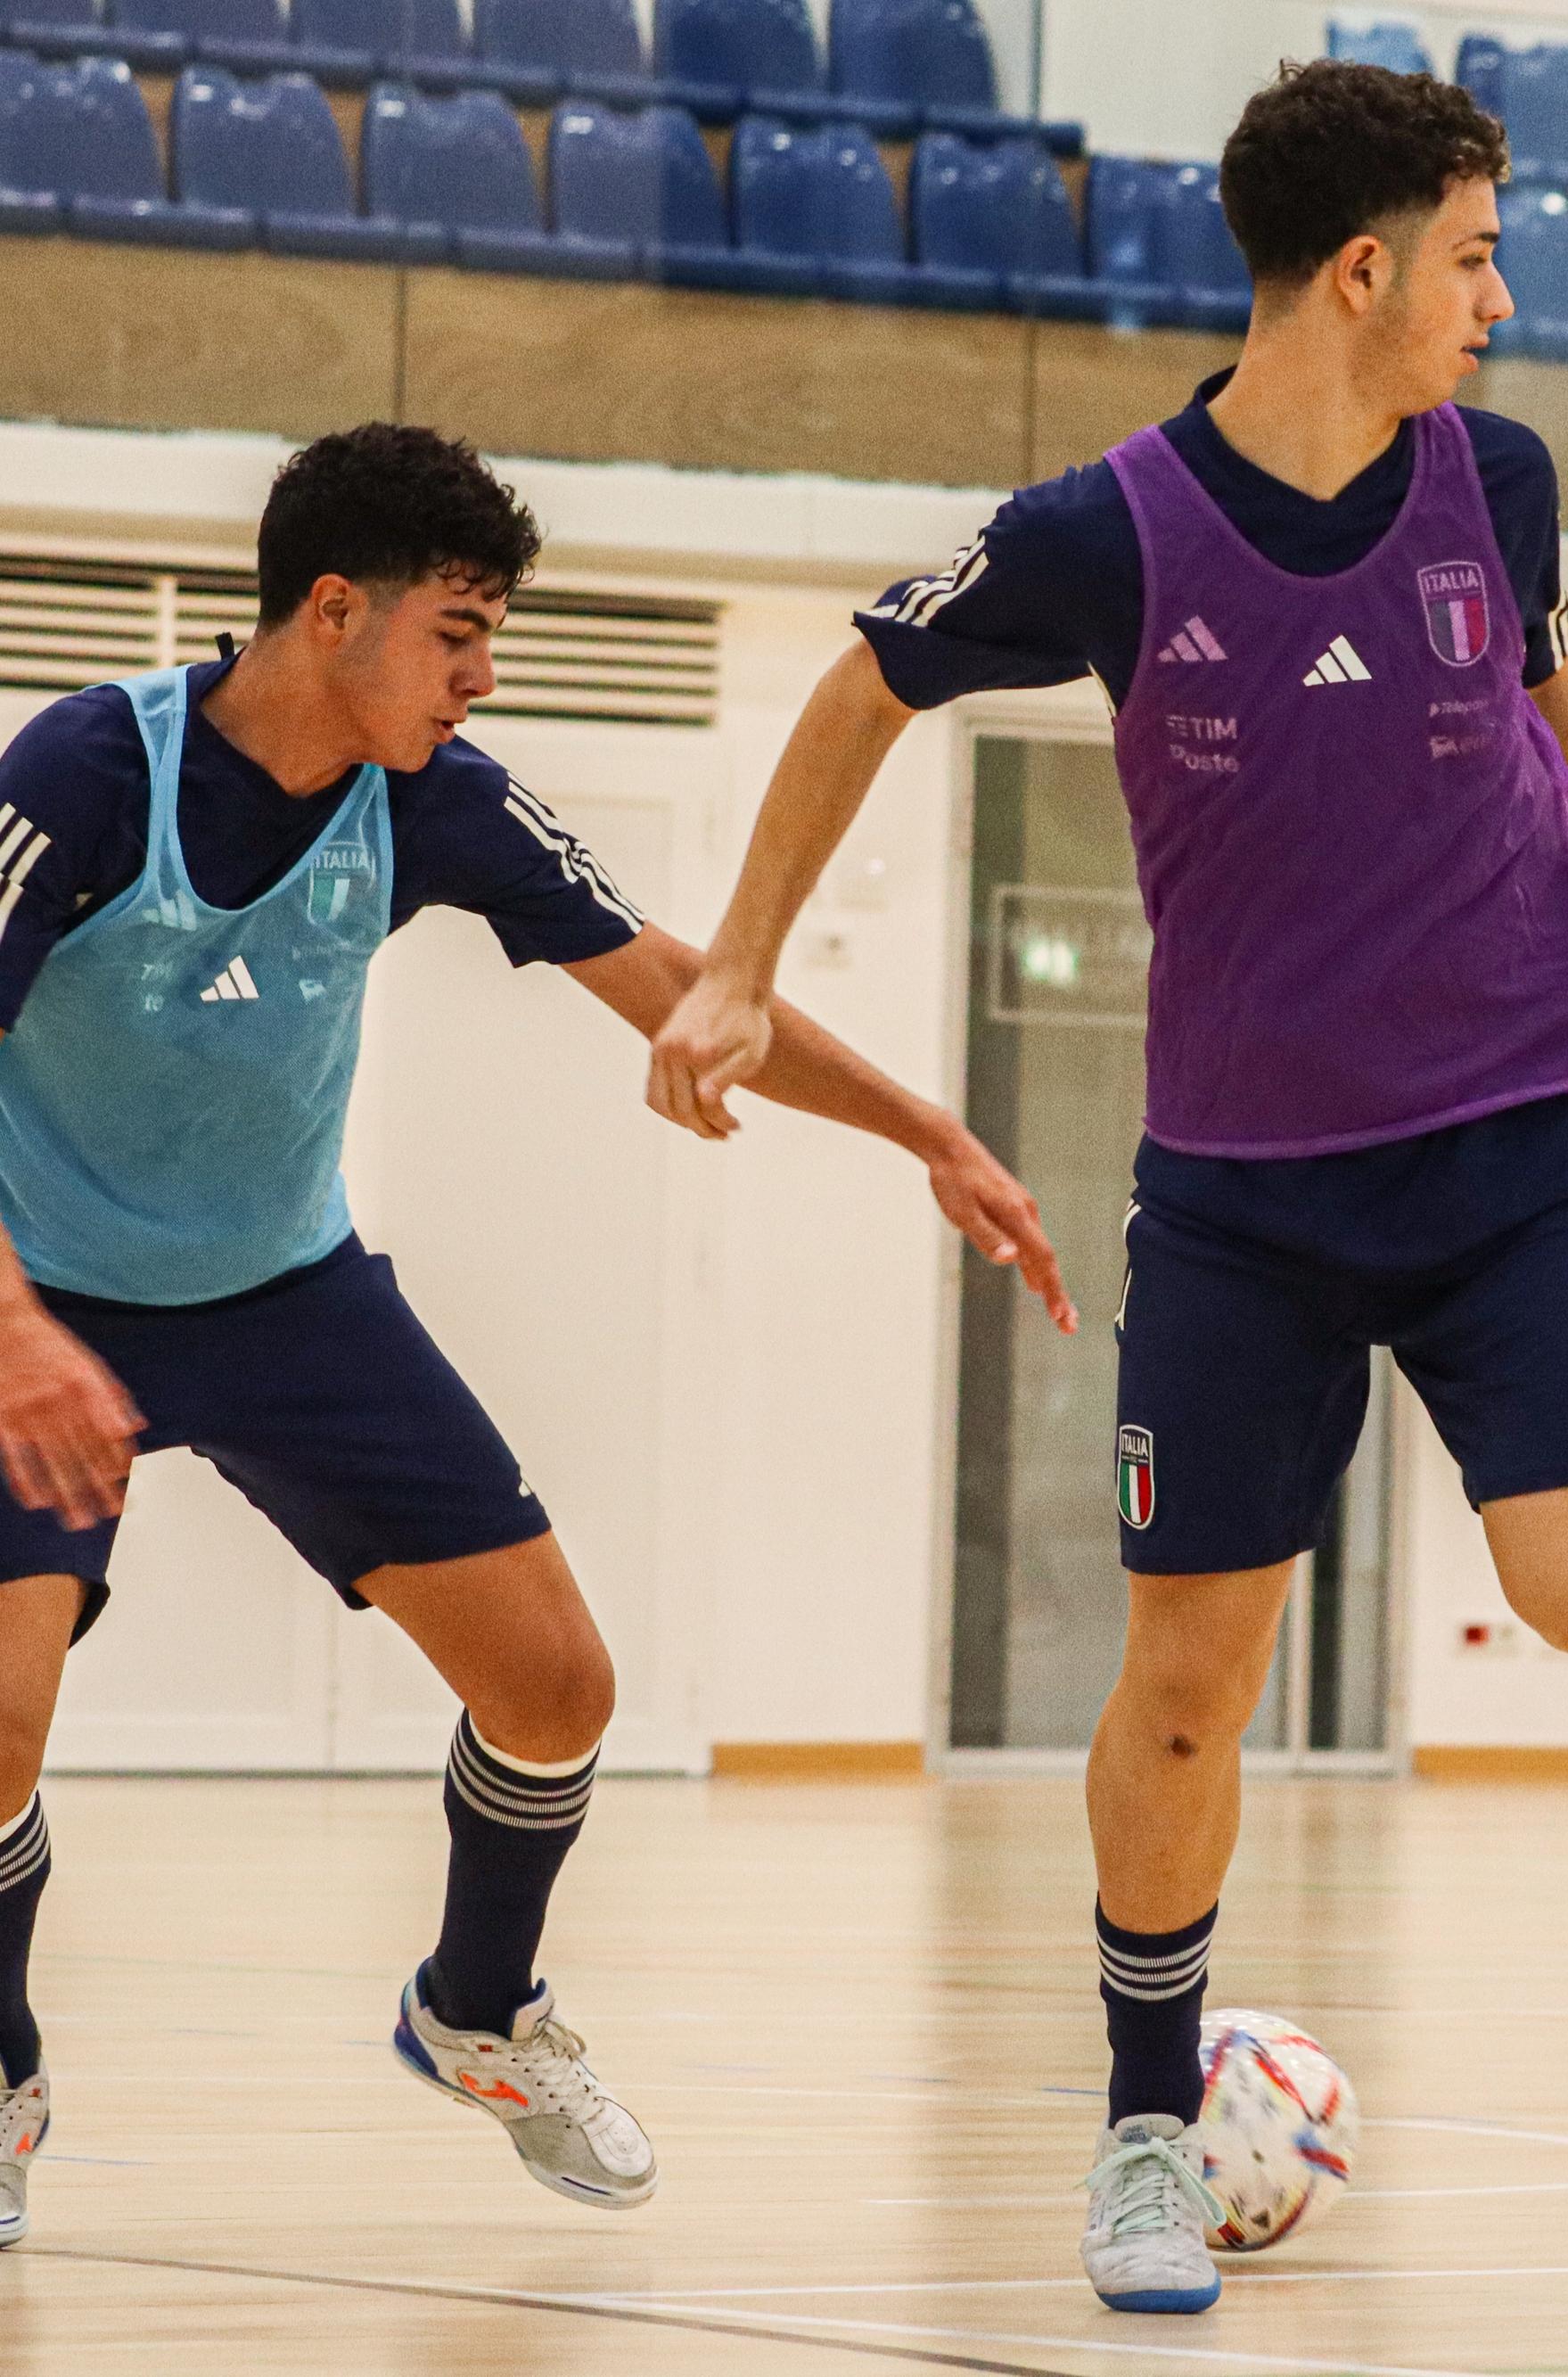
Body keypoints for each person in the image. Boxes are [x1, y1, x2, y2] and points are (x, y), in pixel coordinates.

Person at [645, 59, 1568, 2315]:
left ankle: (1541, 1388)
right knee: (1194, 1682)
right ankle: (1144, 2125)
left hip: (1517, 1135)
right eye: (1478, 256)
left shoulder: (1491, 480)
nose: (1499, 299)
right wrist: (737, 967)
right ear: (1362, 270)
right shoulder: (1108, 532)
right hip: (1246, 1185)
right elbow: (857, 682)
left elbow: (1541, 682)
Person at [0, 424, 1073, 2250]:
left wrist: (934, 1132)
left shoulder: (434, 796)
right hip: (35, 1291)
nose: (484, 674)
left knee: (558, 1682)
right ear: (332, 610)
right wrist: (15, 1323)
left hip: (282, 1291)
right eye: (460, 629)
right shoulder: (92, 770)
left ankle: (474, 2009)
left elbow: (678, 978)